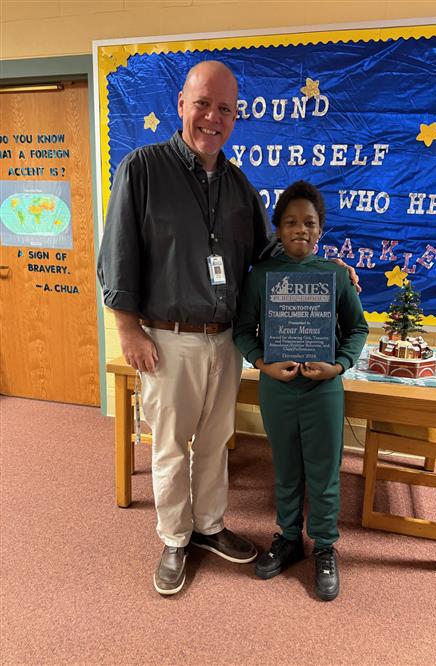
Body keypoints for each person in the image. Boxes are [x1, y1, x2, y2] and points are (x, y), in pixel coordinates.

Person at [97, 60, 360, 597]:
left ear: (235, 117)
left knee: (216, 441)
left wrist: (327, 269)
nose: (212, 118)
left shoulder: (240, 185)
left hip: (225, 339)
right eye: (203, 104)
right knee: (170, 445)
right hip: (166, 339)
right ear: (181, 106)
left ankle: (210, 526)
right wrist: (127, 329)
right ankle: (175, 538)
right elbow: (116, 254)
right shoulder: (142, 169)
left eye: (225, 109)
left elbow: (269, 254)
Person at [233, 180, 368, 601]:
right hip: (277, 389)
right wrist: (262, 364)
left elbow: (357, 328)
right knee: (287, 468)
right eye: (290, 222)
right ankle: (289, 538)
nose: (300, 230)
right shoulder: (261, 278)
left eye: (309, 222)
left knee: (324, 472)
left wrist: (339, 365)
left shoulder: (335, 275)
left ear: (321, 230)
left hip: (323, 389)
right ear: (277, 230)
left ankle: (325, 547)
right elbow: (243, 330)